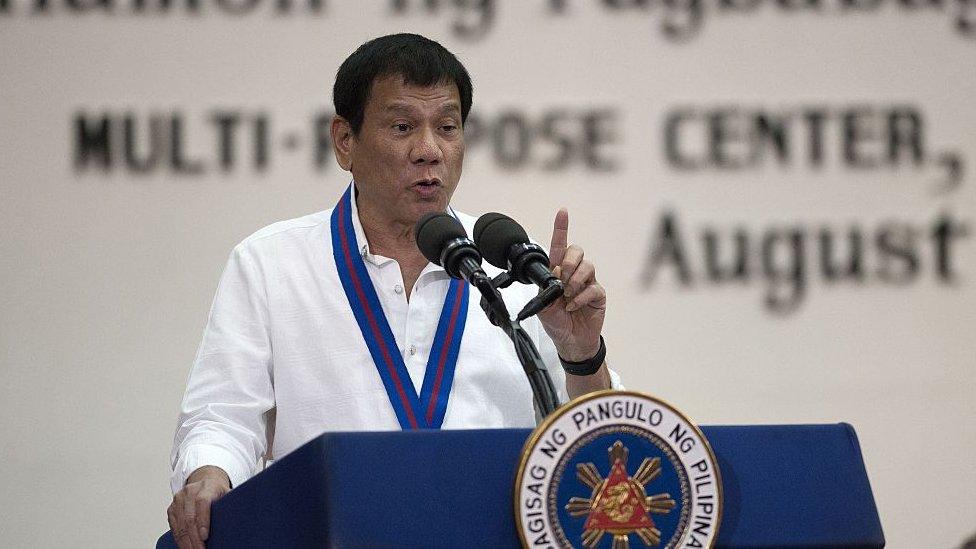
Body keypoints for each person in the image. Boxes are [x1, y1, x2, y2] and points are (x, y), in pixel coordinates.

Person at [166, 33, 621, 549]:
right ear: (345, 141)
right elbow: (223, 417)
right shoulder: (271, 264)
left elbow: (603, 453)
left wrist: (581, 353)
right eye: (403, 126)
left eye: (447, 128)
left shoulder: (519, 272)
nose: (429, 150)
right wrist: (209, 475)